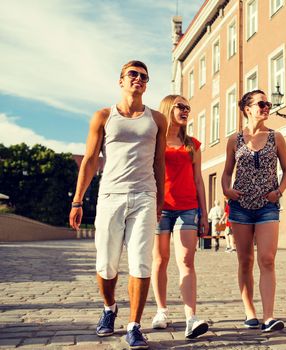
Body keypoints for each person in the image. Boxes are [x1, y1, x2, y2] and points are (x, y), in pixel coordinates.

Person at [69, 60, 167, 350]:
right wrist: (77, 200)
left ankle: (134, 325)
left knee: (140, 260)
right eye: (132, 74)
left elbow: (159, 162)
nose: (138, 79)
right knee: (106, 263)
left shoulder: (157, 119)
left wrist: (159, 199)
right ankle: (109, 307)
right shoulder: (103, 116)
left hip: (145, 196)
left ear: (146, 84)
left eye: (143, 76)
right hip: (110, 196)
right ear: (121, 80)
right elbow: (89, 160)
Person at [221, 89, 286, 333]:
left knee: (267, 259)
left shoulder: (276, 137)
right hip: (240, 207)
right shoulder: (235, 139)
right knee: (245, 261)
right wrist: (226, 190)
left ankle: (268, 316)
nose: (266, 107)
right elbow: (227, 171)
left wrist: (278, 192)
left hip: (267, 206)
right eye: (261, 103)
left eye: (268, 103)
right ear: (247, 109)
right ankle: (250, 312)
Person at [150, 95, 209, 339]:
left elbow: (198, 179)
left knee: (186, 260)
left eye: (188, 108)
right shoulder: (154, 141)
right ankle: (161, 311)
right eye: (180, 107)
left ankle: (190, 318)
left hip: (187, 207)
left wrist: (204, 213)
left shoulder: (192, 144)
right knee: (160, 259)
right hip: (160, 207)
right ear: (168, 109)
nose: (186, 111)